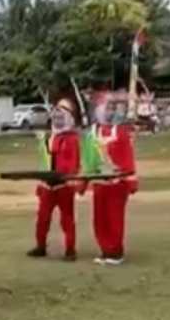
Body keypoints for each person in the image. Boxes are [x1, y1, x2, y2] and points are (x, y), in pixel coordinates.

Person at [83, 92, 138, 265]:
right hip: (99, 182)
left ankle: (115, 251)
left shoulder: (120, 131)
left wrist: (131, 180)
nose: (110, 111)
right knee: (100, 218)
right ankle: (105, 249)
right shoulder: (92, 133)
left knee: (114, 217)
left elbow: (127, 156)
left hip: (116, 183)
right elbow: (88, 158)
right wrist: (83, 180)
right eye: (107, 107)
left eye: (113, 107)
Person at [27, 98, 81, 261]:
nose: (58, 112)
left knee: (67, 219)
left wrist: (69, 178)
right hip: (47, 184)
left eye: (64, 109)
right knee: (42, 218)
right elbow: (44, 160)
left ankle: (70, 250)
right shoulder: (50, 137)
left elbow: (72, 163)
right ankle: (40, 246)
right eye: (57, 108)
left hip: (63, 185)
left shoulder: (71, 139)